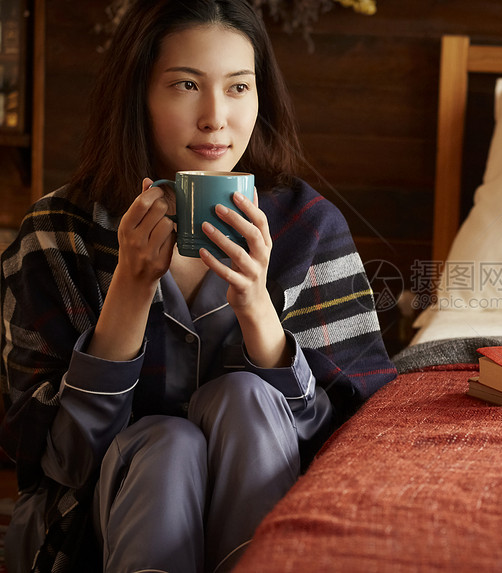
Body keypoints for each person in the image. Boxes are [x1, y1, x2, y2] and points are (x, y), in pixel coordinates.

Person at [0, 0, 397, 571]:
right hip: (94, 525)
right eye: (186, 84)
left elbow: (353, 439)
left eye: (238, 87)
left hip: (276, 509)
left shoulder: (308, 227)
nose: (215, 117)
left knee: (245, 396)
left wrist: (259, 311)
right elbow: (56, 459)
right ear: (137, 94)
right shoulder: (58, 234)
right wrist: (130, 293)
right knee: (168, 444)